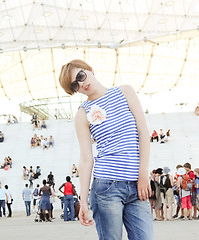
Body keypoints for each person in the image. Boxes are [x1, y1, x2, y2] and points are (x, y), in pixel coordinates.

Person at [59, 59, 153, 239]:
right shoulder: (83, 113)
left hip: (137, 184)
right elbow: (86, 159)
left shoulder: (125, 92)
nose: (81, 83)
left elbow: (143, 133)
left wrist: (143, 173)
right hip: (106, 188)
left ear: (90, 69)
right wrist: (83, 201)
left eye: (81, 75)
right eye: (74, 84)